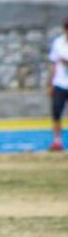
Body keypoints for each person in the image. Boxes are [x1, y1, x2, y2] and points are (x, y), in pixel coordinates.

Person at [47, 18, 68, 152]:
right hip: (60, 83)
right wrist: (50, 83)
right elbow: (53, 63)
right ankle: (57, 140)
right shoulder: (58, 43)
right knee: (56, 113)